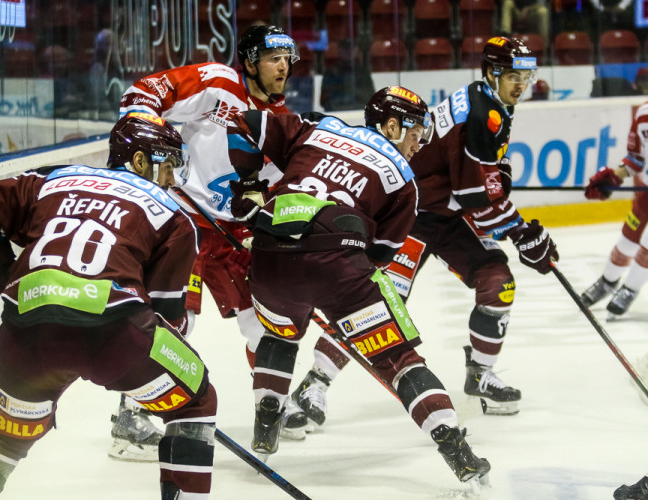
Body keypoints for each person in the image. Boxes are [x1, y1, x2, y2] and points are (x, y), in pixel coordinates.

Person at [0, 114, 217, 499]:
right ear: (139, 161)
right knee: (196, 403)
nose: (171, 179)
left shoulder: (49, 180)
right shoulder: (174, 217)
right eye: (167, 165)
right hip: (118, 336)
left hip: (27, 336)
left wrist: (6, 273)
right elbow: (167, 324)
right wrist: (136, 377)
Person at [225, 86, 491, 483]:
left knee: (279, 338)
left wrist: (250, 187)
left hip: (268, 260)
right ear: (390, 125)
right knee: (398, 360)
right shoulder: (404, 179)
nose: (419, 144)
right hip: (340, 270)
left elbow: (239, 124)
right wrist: (330, 276)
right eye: (416, 132)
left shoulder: (316, 129)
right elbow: (380, 258)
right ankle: (455, 447)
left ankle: (266, 419)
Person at [292, 36, 559, 421]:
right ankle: (315, 383)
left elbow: (475, 182)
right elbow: (475, 196)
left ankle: (480, 375)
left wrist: (498, 179)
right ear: (491, 73)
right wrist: (523, 233)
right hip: (411, 214)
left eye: (525, 76)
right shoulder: (484, 111)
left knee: (497, 281)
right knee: (376, 304)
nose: (521, 84)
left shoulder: (492, 102)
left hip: (447, 215)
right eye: (512, 76)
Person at [116, 24, 312, 447]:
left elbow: (271, 186)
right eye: (272, 58)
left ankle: (271, 400)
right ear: (249, 62)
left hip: (229, 232)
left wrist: (261, 207)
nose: (282, 67)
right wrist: (148, 136)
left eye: (286, 59)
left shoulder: (279, 122)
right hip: (180, 220)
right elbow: (144, 92)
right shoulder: (218, 83)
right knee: (172, 319)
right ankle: (129, 417)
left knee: (264, 319)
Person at [581, 100, 648, 317]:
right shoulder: (644, 113)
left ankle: (630, 289)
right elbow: (636, 159)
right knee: (628, 241)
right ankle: (608, 282)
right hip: (647, 193)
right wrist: (612, 178)